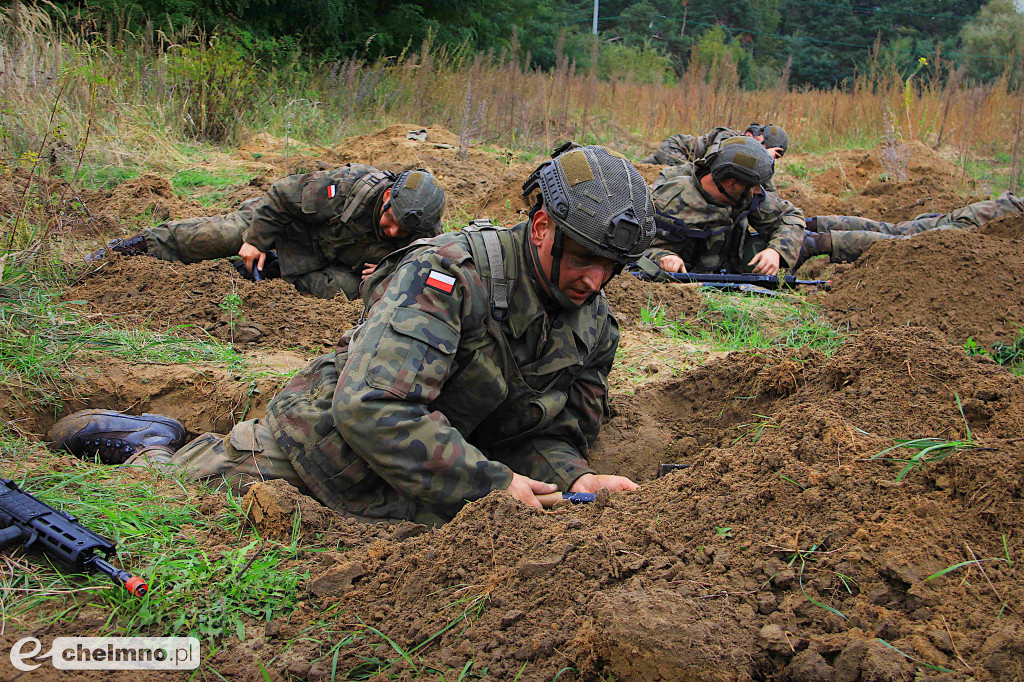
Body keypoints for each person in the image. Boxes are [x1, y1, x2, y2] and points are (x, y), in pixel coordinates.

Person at [49, 144, 656, 525]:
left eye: (613, 267)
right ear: (543, 226)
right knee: (169, 497)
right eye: (585, 257)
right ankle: (149, 441)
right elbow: (369, 407)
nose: (595, 280)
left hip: (438, 478)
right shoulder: (450, 275)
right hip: (330, 456)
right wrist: (491, 486)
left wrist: (574, 476)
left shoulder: (594, 328)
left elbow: (545, 433)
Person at [89, 165, 446, 300]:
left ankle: (271, 270)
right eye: (392, 218)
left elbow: (434, 275)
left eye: (404, 230)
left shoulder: (426, 233)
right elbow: (281, 195)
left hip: (320, 265)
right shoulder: (349, 186)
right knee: (222, 236)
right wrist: (256, 240)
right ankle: (134, 248)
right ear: (387, 196)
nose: (394, 229)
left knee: (351, 292)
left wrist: (391, 271)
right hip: (283, 225)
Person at [643, 136, 805, 276]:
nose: (758, 191)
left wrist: (776, 251)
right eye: (754, 186)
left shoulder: (745, 193)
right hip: (687, 281)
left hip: (733, 266)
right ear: (732, 184)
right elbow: (637, 249)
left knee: (806, 242)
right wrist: (664, 258)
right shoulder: (669, 201)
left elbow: (790, 216)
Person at [797, 191, 1024, 266]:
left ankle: (804, 225)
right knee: (903, 244)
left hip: (990, 211)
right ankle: (811, 242)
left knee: (894, 231)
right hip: (994, 223)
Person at [641, 122, 788, 173]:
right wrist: (764, 156)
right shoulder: (729, 136)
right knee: (689, 175)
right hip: (675, 148)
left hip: (678, 155)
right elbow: (713, 160)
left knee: (641, 168)